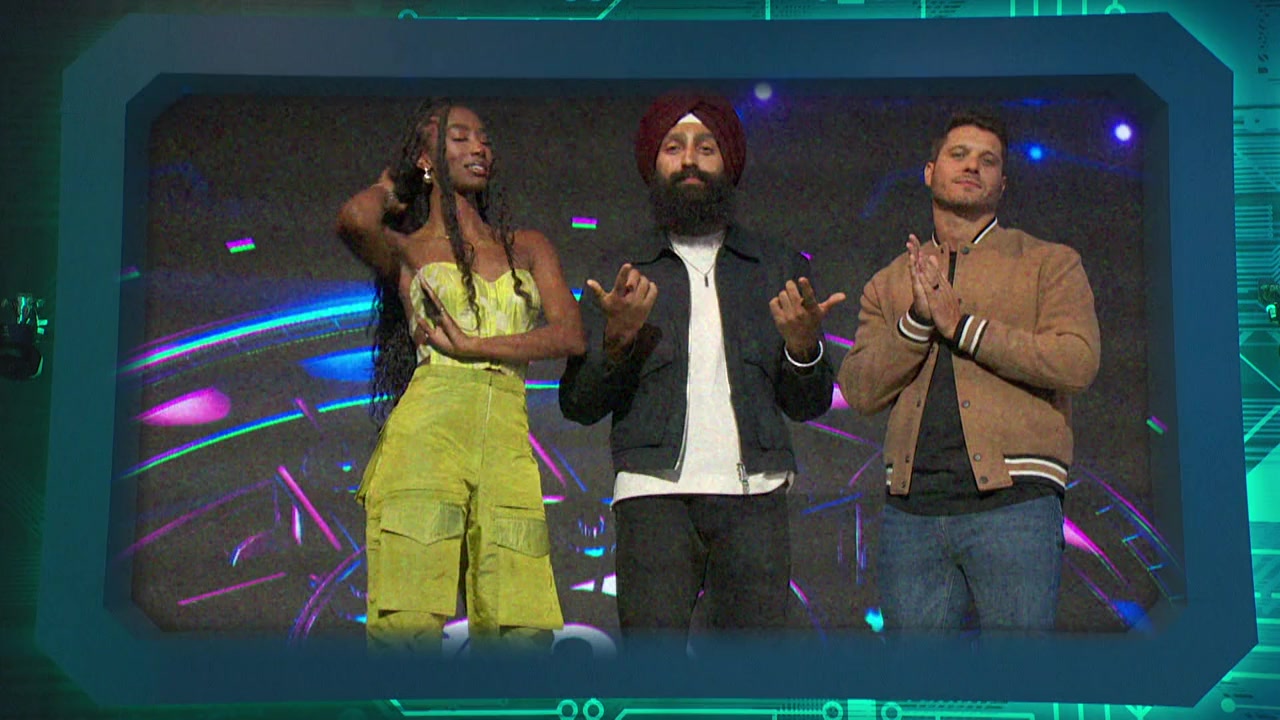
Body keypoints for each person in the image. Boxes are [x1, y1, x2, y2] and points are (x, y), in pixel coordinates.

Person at [558, 92, 844, 653]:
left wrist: (803, 347)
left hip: (755, 500)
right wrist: (616, 341)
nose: (689, 160)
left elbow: (808, 403)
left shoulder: (775, 266)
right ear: (654, 165)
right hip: (653, 500)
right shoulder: (622, 271)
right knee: (654, 676)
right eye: (674, 147)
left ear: (727, 165)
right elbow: (578, 404)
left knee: (750, 680)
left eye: (706, 148)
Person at [336, 100, 585, 654]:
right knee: (407, 621)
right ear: (428, 159)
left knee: (521, 624)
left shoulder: (528, 246)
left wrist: (475, 346)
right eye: (460, 138)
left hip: (506, 443)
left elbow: (571, 335)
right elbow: (354, 220)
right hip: (427, 437)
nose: (479, 147)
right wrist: (391, 186)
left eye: (485, 139)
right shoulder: (407, 250)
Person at [839, 110, 1101, 634]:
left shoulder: (1049, 262)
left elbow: (1076, 361)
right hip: (910, 513)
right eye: (958, 155)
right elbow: (860, 390)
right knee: (917, 680)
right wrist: (918, 321)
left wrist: (962, 327)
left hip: (1016, 504)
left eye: (988, 160)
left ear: (1003, 183)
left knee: (1017, 675)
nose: (972, 167)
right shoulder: (889, 282)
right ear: (929, 171)